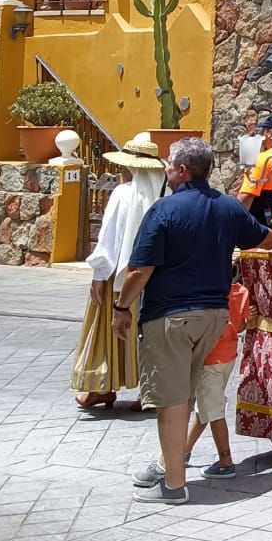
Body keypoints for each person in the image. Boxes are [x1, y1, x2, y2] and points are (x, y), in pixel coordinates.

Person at [116, 138, 272, 503]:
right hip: (214, 317)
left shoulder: (164, 210)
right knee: (184, 395)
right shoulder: (228, 208)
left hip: (171, 318)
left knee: (171, 402)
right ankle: (167, 465)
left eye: (169, 164)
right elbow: (264, 238)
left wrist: (122, 307)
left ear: (183, 171)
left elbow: (141, 270)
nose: (166, 169)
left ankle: (172, 485)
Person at [71, 133, 166, 410]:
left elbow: (109, 239)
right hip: (157, 276)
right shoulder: (165, 196)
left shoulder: (123, 194)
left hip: (121, 276)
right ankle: (150, 392)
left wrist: (98, 276)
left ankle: (103, 387)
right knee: (153, 333)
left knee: (106, 331)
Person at [182, 276, 250, 480]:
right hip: (227, 357)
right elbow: (241, 326)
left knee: (214, 410)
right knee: (205, 408)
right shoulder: (240, 292)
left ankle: (225, 461)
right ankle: (184, 450)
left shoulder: (203, 291)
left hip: (209, 359)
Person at [236, 114, 272, 227]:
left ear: (270, 132)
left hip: (264, 226)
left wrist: (231, 222)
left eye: (264, 131)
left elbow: (246, 197)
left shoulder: (262, 159)